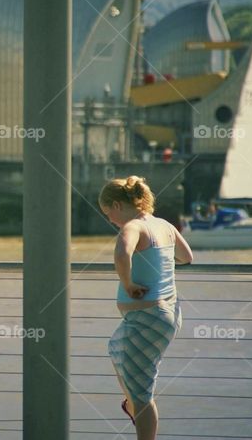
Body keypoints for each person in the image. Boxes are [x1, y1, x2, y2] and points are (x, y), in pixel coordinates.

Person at [99, 175, 193, 440]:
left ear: (117, 205)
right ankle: (131, 402)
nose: (110, 220)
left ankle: (137, 411)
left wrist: (128, 284)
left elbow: (121, 254)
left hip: (148, 317)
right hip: (165, 315)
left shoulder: (132, 227)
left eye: (109, 214)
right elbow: (187, 257)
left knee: (142, 395)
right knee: (115, 346)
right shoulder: (164, 225)